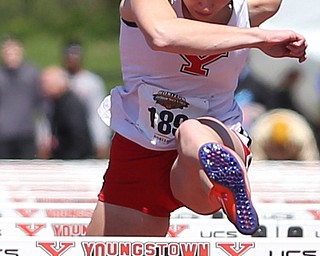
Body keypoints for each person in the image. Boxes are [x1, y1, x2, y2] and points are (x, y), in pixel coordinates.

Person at [86, 0, 307, 237]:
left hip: (211, 143)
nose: (206, 3)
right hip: (141, 149)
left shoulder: (260, 5)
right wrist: (259, 38)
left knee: (192, 131)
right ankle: (216, 174)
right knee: (104, 249)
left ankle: (224, 180)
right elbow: (163, 34)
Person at [62, 41, 112, 159]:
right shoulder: (58, 79)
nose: (72, 58)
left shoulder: (92, 82)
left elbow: (97, 113)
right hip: (62, 139)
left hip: (85, 140)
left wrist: (101, 140)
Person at [0, 37, 46, 159]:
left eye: (14, 52)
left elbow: (42, 104)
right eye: (7, 52)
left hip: (26, 133)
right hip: (3, 135)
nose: (11, 56)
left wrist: (44, 133)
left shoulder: (32, 73)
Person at [40, 66, 94, 159]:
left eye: (46, 83)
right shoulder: (57, 102)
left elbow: (78, 135)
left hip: (75, 160)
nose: (43, 88)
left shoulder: (71, 104)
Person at [250, 108, 319, 161]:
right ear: (269, 141)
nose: (280, 153)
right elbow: (256, 162)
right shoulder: (260, 134)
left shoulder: (301, 136)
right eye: (276, 147)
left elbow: (310, 160)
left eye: (283, 148)